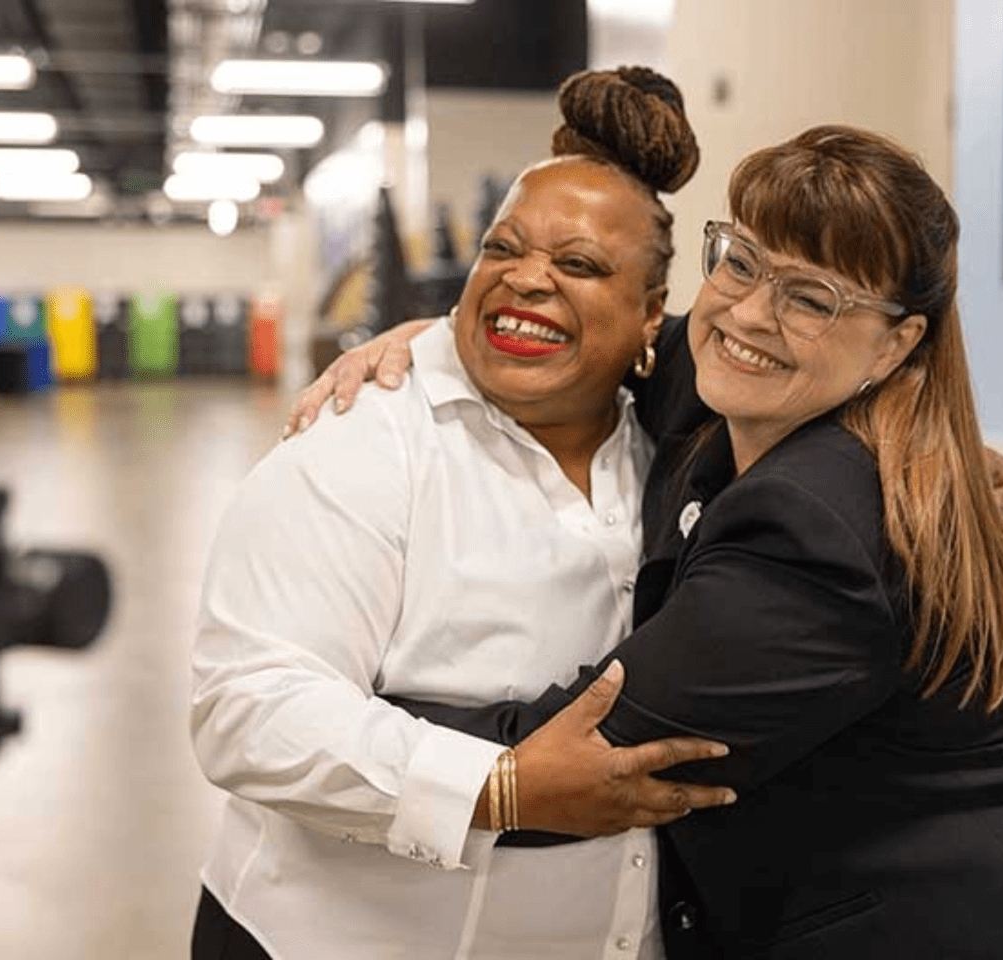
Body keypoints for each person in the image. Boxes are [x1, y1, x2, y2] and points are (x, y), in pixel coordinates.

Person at [291, 126, 1003, 959]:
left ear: (896, 344)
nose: (748, 313)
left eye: (812, 298)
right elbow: (624, 335)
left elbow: (598, 759)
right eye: (740, 261)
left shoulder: (823, 532)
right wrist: (447, 334)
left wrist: (332, 731)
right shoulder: (733, 391)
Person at [189, 66, 740, 960]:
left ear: (652, 318)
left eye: (578, 264)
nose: (527, 279)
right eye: (501, 249)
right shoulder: (366, 437)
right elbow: (248, 709)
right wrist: (501, 786)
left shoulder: (671, 449)